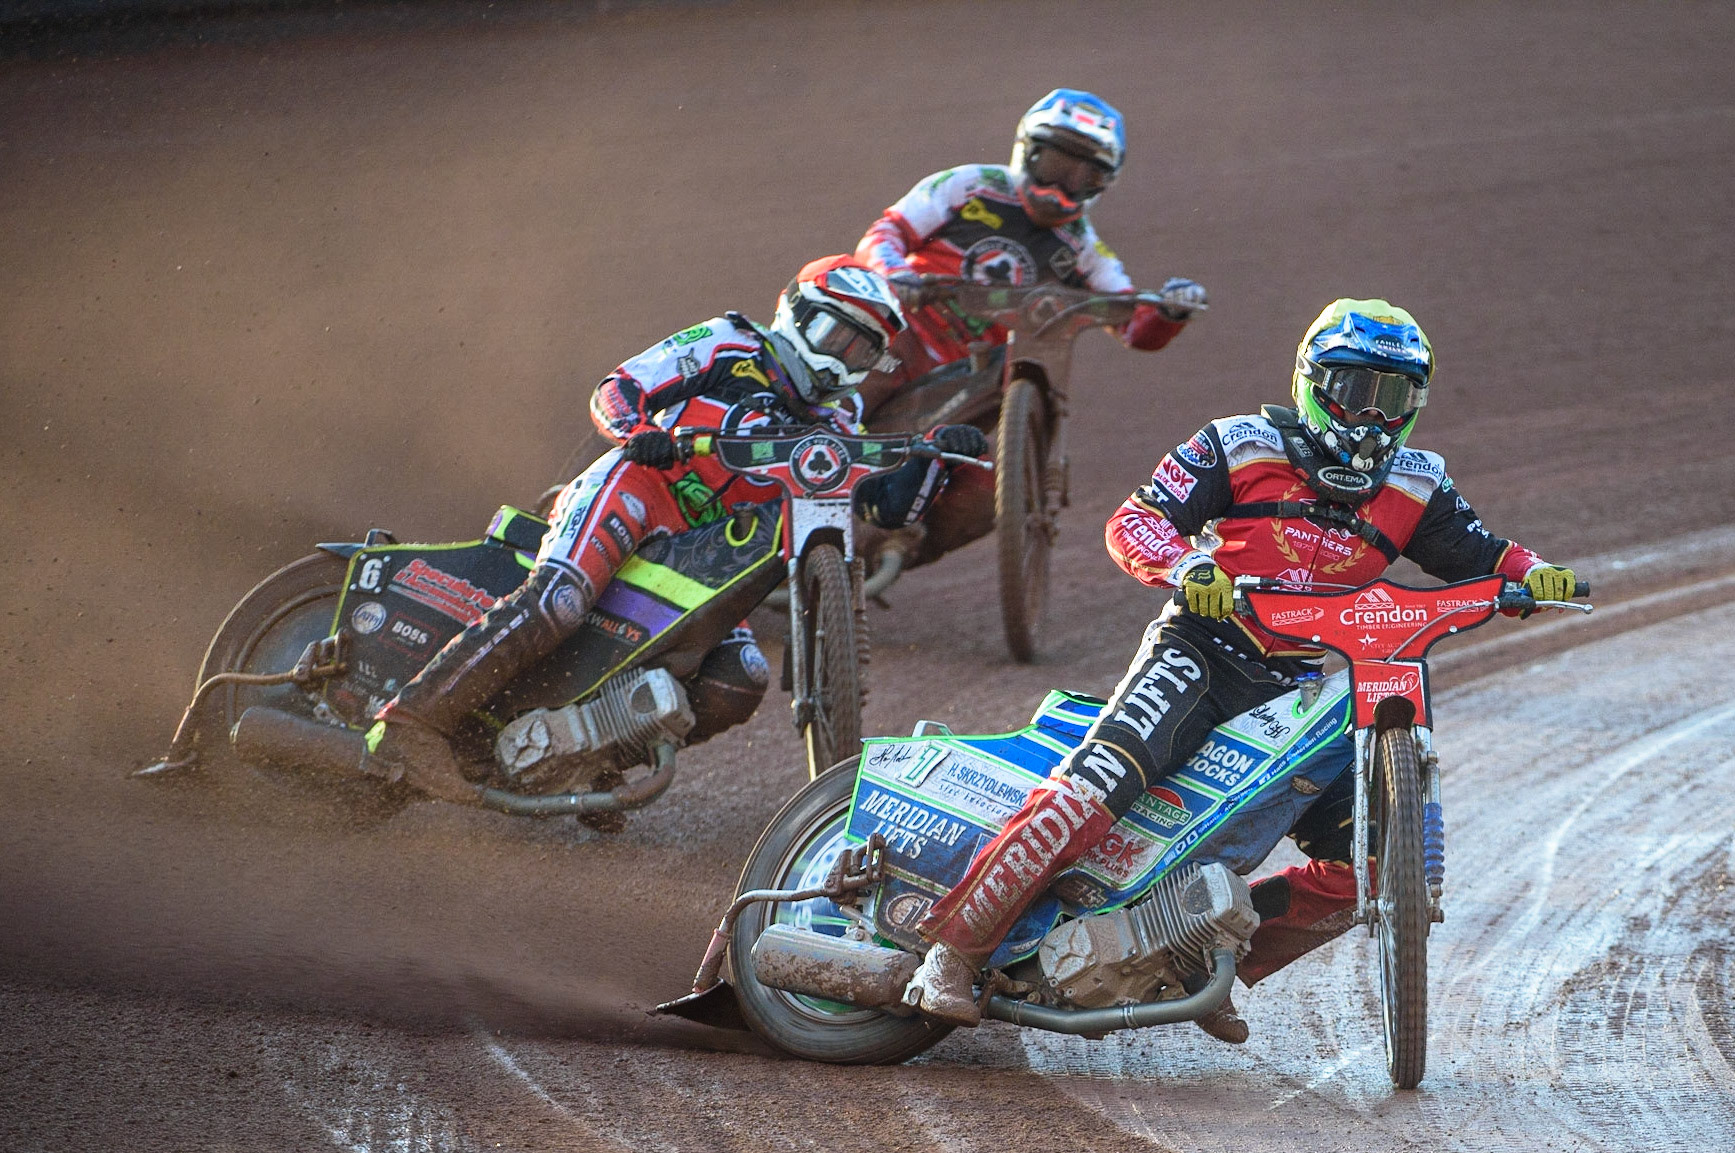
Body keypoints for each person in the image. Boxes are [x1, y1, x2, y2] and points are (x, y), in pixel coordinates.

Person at [900, 298, 1578, 1041]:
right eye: (1355, 390)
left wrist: (1536, 573)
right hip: (1200, 651)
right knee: (1089, 792)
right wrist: (1185, 563)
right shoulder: (1237, 443)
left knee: (1382, 870)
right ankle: (951, 950)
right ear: (1311, 382)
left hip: (1298, 688)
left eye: (1394, 398)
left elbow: (1486, 554)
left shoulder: (1417, 483)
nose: (1372, 417)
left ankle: (1198, 955)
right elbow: (1134, 519)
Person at [360, 255, 989, 804]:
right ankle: (411, 721)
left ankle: (589, 763)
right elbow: (620, 386)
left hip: (707, 548)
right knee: (560, 599)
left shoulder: (841, 415)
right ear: (795, 313)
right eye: (836, 336)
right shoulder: (729, 343)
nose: (843, 361)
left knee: (737, 679)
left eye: (862, 351)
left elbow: (879, 508)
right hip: (640, 493)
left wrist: (930, 458)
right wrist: (640, 433)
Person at [853, 88, 1208, 561]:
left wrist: (1168, 312)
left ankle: (891, 551)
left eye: (1082, 178)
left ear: (1101, 187)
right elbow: (886, 233)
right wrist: (895, 276)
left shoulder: (1084, 248)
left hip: (974, 377)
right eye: (1055, 169)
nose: (1063, 188)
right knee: (850, 399)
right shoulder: (967, 185)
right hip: (903, 337)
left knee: (995, 492)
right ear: (1027, 151)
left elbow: (1129, 324)